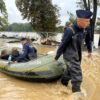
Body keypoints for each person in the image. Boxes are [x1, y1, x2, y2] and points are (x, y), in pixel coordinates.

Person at [53, 10, 92, 93]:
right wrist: (56, 57)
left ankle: (63, 85)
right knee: (77, 76)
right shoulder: (69, 30)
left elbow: (88, 40)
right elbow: (62, 44)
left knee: (70, 71)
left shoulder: (86, 28)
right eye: (87, 21)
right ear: (79, 20)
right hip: (69, 55)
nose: (88, 23)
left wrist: (90, 51)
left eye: (89, 21)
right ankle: (76, 94)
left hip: (78, 54)